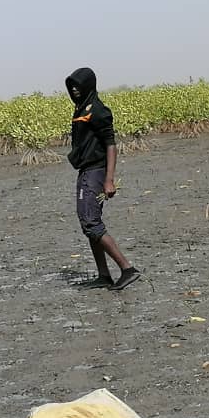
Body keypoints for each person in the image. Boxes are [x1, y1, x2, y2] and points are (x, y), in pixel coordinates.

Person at [66, 67, 141, 291]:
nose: (75, 90)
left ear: (88, 85)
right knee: (88, 224)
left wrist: (109, 180)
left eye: (78, 85)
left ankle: (127, 269)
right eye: (72, 86)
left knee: (91, 223)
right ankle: (104, 275)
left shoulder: (97, 110)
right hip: (86, 171)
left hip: (96, 172)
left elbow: (110, 144)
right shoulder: (82, 108)